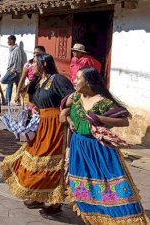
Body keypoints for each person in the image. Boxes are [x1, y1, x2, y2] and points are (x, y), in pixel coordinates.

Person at [61, 67, 150, 224]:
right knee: (83, 184)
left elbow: (124, 121)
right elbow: (64, 109)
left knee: (110, 184)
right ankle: (94, 218)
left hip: (99, 149)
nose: (74, 80)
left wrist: (99, 118)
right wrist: (67, 119)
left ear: (88, 81)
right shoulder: (75, 97)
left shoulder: (104, 102)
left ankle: (124, 218)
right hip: (78, 146)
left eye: (78, 78)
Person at [0, 54, 75, 216]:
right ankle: (39, 196)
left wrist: (64, 114)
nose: (30, 65)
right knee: (33, 160)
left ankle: (56, 201)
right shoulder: (38, 82)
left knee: (52, 163)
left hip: (56, 127)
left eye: (33, 62)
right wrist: (34, 108)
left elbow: (74, 98)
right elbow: (34, 99)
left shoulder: (57, 80)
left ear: (43, 64)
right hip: (41, 126)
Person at [0, 35, 23, 105]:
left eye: (9, 40)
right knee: (10, 85)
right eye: (8, 40)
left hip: (13, 71)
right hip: (11, 70)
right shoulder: (12, 49)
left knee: (3, 80)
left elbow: (18, 61)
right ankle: (8, 102)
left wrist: (13, 70)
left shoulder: (17, 49)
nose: (8, 42)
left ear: (13, 40)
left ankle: (14, 101)